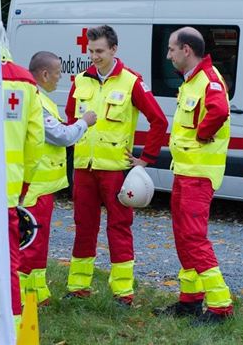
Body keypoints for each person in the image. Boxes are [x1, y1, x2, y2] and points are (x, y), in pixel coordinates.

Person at [64, 25, 168, 306]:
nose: (94, 56)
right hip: (84, 168)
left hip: (116, 171)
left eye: (99, 51)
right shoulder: (80, 81)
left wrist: (146, 159)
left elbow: (159, 121)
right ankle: (77, 288)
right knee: (84, 226)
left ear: (113, 50)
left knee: (119, 228)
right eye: (90, 51)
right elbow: (70, 118)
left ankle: (123, 293)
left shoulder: (132, 81)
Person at [154, 26, 234, 324]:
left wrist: (202, 134)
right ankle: (190, 300)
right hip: (186, 171)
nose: (168, 55)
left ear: (186, 50)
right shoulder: (192, 81)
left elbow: (218, 111)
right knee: (183, 237)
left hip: (198, 174)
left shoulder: (208, 81)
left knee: (193, 238)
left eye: (171, 49)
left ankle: (220, 305)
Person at [19, 51, 97, 306]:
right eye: (57, 74)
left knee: (39, 244)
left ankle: (37, 294)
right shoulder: (36, 100)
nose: (59, 79)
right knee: (30, 244)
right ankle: (21, 298)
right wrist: (84, 123)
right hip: (33, 186)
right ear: (44, 74)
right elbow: (61, 135)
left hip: (42, 186)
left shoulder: (40, 98)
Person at [1, 46, 44, 331]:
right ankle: (14, 330)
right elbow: (35, 141)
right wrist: (24, 183)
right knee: (8, 263)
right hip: (7, 188)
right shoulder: (23, 81)